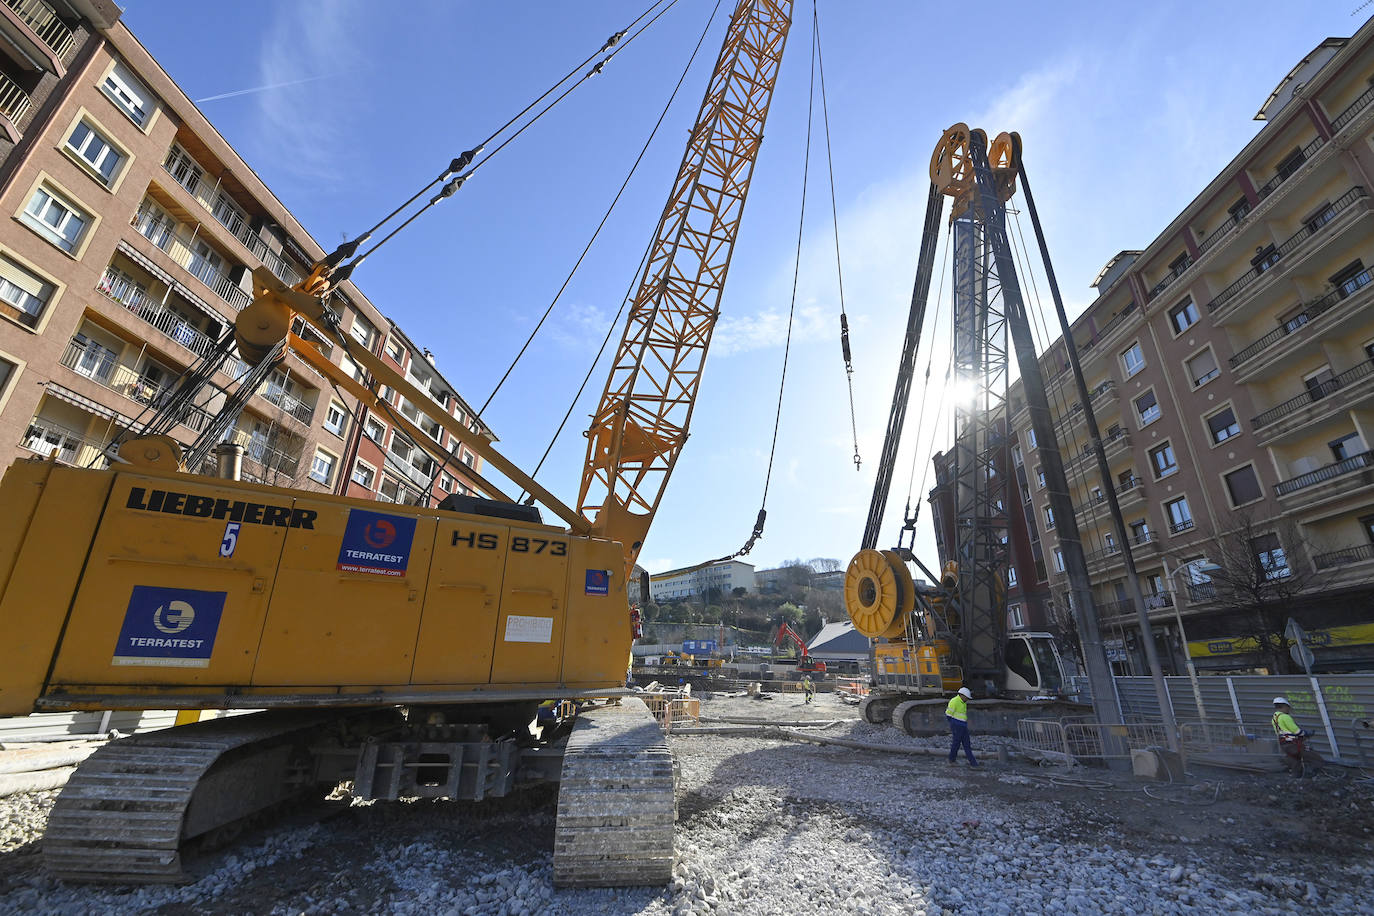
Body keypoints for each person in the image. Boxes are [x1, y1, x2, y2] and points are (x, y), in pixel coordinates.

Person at [1272, 696, 1314, 777]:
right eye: (1288, 707)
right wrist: (1306, 733)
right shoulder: (1285, 717)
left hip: (1283, 742)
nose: (1289, 709)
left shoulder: (1274, 717)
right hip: (1291, 743)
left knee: (1293, 758)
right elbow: (1297, 731)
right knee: (1304, 755)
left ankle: (1295, 774)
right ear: (1284, 706)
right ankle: (1300, 774)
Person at [946, 687, 979, 767]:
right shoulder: (954, 701)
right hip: (958, 725)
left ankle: (972, 763)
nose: (967, 699)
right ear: (962, 695)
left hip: (962, 725)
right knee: (957, 744)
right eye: (966, 698)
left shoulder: (963, 702)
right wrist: (954, 724)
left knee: (965, 744)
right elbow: (948, 714)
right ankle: (953, 760)